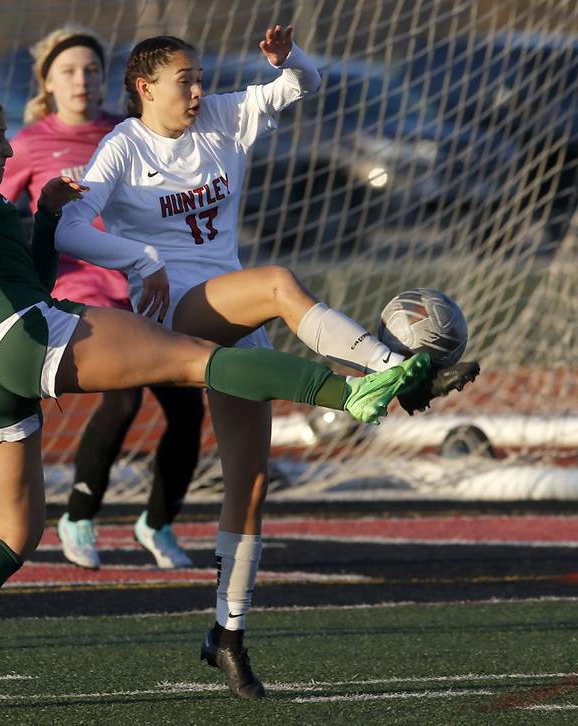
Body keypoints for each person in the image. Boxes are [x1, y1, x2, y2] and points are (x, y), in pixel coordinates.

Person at [0, 86, 436, 709]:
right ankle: (353, 394)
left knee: (13, 534)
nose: (8, 147)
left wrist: (44, 217)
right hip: (15, 338)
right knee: (199, 362)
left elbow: (30, 274)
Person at [55, 25, 480, 699]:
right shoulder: (123, 148)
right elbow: (68, 227)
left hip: (232, 311)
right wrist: (141, 260)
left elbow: (301, 86)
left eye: (198, 76)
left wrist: (290, 61)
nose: (197, 89)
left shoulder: (222, 115)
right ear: (144, 88)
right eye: (183, 79)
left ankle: (226, 633)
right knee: (280, 281)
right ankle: (392, 370)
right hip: (175, 318)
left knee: (248, 482)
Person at [0, 27, 204, 571]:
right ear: (47, 81)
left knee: (188, 404)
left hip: (142, 286)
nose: (82, 80)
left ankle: (156, 525)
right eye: (69, 70)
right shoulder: (29, 142)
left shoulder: (128, 131)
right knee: (126, 395)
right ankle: (79, 516)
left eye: (91, 69)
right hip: (81, 291)